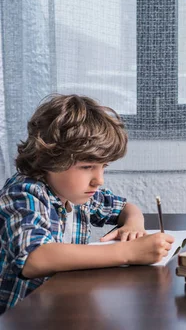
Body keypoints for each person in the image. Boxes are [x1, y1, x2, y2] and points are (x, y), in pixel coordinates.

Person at [0, 94, 175, 314]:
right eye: (87, 167)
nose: (99, 179)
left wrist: (134, 225)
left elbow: (126, 208)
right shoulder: (23, 194)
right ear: (51, 158)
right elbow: (35, 258)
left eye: (103, 167)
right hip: (24, 316)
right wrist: (128, 252)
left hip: (65, 307)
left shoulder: (78, 194)